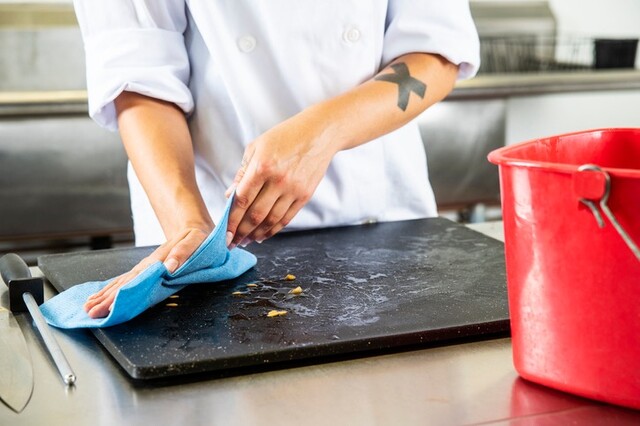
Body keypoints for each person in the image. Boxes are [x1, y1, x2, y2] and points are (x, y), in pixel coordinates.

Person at [73, 1, 480, 318]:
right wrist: (188, 228)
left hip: (386, 228)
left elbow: (436, 50)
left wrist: (322, 133)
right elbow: (138, 78)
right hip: (215, 225)